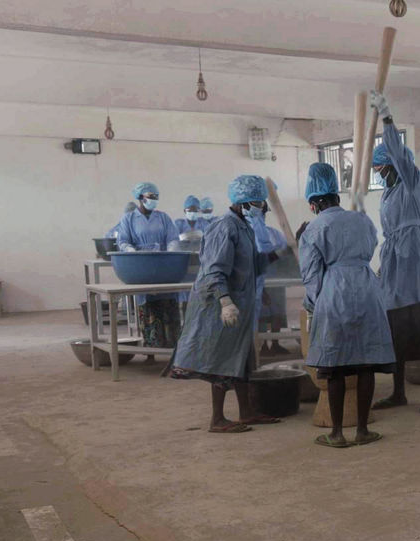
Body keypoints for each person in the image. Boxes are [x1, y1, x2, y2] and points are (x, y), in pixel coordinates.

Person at [169, 175, 281, 433]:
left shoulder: (243, 226)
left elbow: (253, 265)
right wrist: (226, 302)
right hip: (219, 303)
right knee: (221, 357)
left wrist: (283, 251)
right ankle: (217, 419)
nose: (263, 206)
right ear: (244, 202)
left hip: (237, 302)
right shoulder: (225, 227)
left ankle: (246, 412)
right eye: (259, 202)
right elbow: (214, 270)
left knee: (240, 356)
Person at [298, 163, 395, 448]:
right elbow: (371, 249)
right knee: (365, 364)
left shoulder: (314, 229)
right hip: (367, 288)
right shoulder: (362, 220)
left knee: (336, 365)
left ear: (314, 203)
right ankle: (363, 429)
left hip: (335, 290)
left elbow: (311, 275)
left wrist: (313, 305)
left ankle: (337, 433)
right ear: (336, 196)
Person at [367, 90, 420, 413]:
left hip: (412, 257)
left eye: (381, 167)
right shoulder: (389, 193)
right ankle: (398, 392)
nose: (379, 173)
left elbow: (398, 153)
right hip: (394, 257)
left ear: (394, 165)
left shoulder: (413, 181)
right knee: (395, 325)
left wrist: (387, 119)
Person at [112, 182, 181, 350]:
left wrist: (171, 250)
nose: (154, 200)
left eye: (156, 197)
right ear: (140, 198)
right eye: (151, 197)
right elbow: (123, 241)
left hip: (163, 264)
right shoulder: (128, 219)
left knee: (168, 303)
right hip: (142, 265)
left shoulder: (163, 217)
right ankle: (151, 349)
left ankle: (173, 348)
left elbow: (173, 237)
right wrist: (132, 251)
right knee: (148, 306)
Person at [250, 206, 292, 357]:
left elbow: (286, 253)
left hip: (277, 279)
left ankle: (275, 343)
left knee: (278, 312)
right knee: (260, 313)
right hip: (258, 279)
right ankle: (262, 346)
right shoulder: (248, 234)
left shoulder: (274, 234)